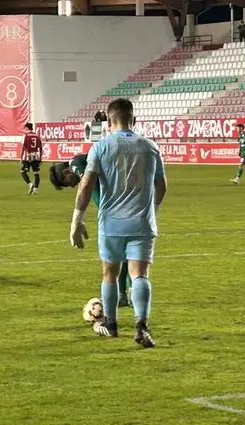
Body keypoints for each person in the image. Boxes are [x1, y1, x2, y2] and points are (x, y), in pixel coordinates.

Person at [69, 98, 166, 348]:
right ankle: (141, 326)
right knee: (139, 274)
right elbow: (161, 187)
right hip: (142, 223)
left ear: (109, 122)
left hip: (112, 223)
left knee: (110, 274)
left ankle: (110, 325)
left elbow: (86, 184)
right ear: (133, 119)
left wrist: (76, 221)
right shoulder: (150, 147)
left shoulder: (101, 147)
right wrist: (150, 211)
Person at [49, 154, 132, 307]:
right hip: (123, 203)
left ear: (67, 171)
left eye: (67, 183)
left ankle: (124, 295)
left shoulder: (75, 163)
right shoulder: (86, 164)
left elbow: (87, 184)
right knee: (125, 250)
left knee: (118, 252)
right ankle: (126, 294)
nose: (72, 186)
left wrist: (78, 220)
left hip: (115, 208)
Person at [20, 123, 43, 195]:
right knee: (36, 173)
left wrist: (21, 157)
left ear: (27, 128)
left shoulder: (26, 136)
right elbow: (41, 148)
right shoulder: (37, 136)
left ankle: (30, 184)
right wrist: (40, 158)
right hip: (36, 156)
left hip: (27, 156)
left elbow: (23, 147)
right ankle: (35, 189)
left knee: (23, 171)